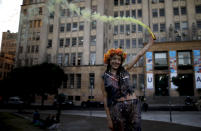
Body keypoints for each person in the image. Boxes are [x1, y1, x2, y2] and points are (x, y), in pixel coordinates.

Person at [101, 36, 154, 131]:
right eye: (114, 59)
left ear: (121, 61)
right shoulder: (104, 77)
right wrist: (109, 119)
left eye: (118, 60)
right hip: (116, 108)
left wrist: (149, 44)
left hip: (133, 106)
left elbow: (139, 55)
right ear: (109, 60)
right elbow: (105, 99)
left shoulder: (125, 69)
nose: (116, 61)